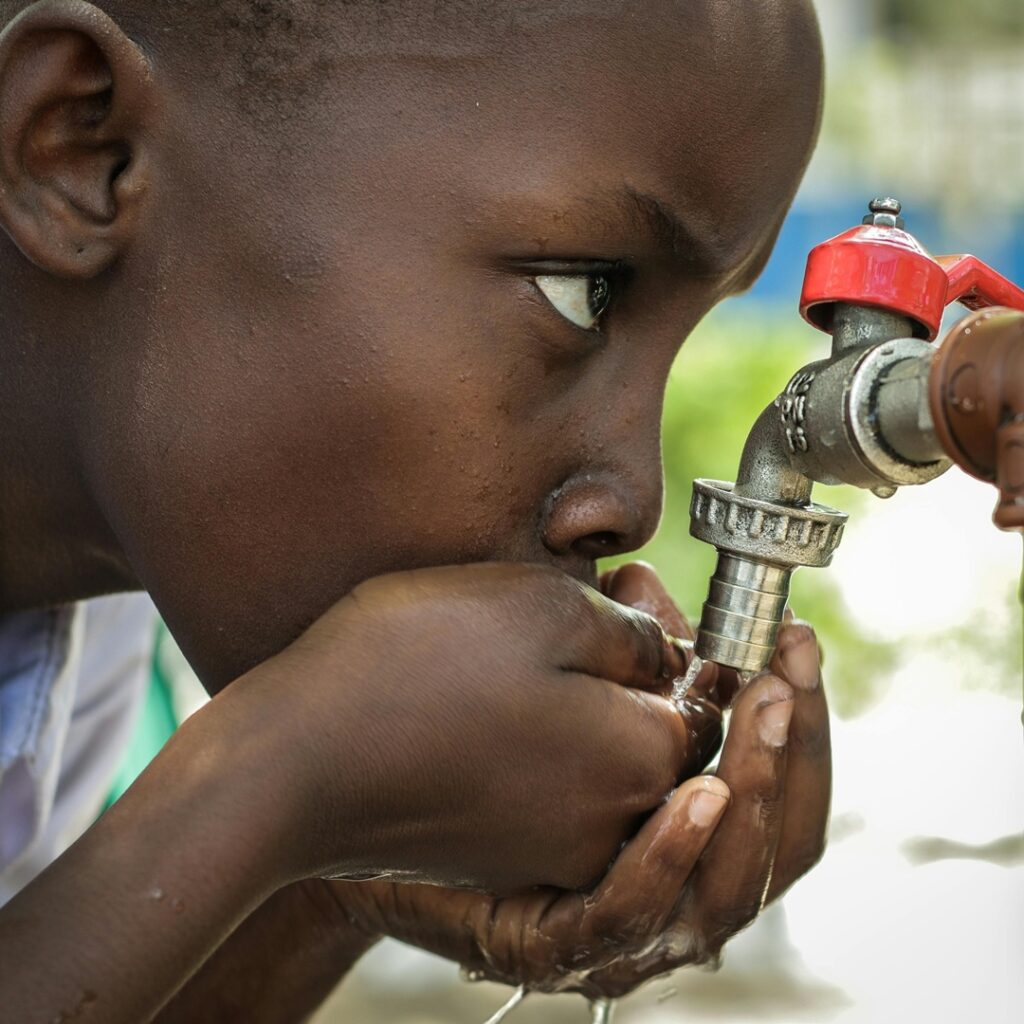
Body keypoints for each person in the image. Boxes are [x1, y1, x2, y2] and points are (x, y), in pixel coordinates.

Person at [0, 0, 832, 1020]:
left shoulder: (81, 619)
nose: (630, 502)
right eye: (581, 292)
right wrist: (277, 776)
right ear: (84, 150)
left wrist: (330, 878)